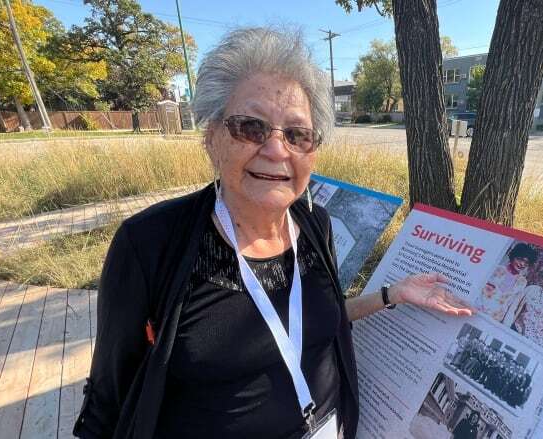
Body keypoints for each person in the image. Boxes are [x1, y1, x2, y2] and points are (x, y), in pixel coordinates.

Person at [72, 27, 472, 439]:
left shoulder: (316, 226)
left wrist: (393, 294)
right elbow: (107, 401)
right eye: (251, 127)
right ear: (211, 138)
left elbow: (316, 320)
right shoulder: (149, 244)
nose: (278, 150)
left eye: (298, 134)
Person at [478, 243, 536, 324]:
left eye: (526, 262)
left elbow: (512, 305)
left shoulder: (522, 282)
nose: (522, 264)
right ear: (513, 256)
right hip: (478, 310)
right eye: (519, 259)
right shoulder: (496, 268)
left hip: (496, 319)